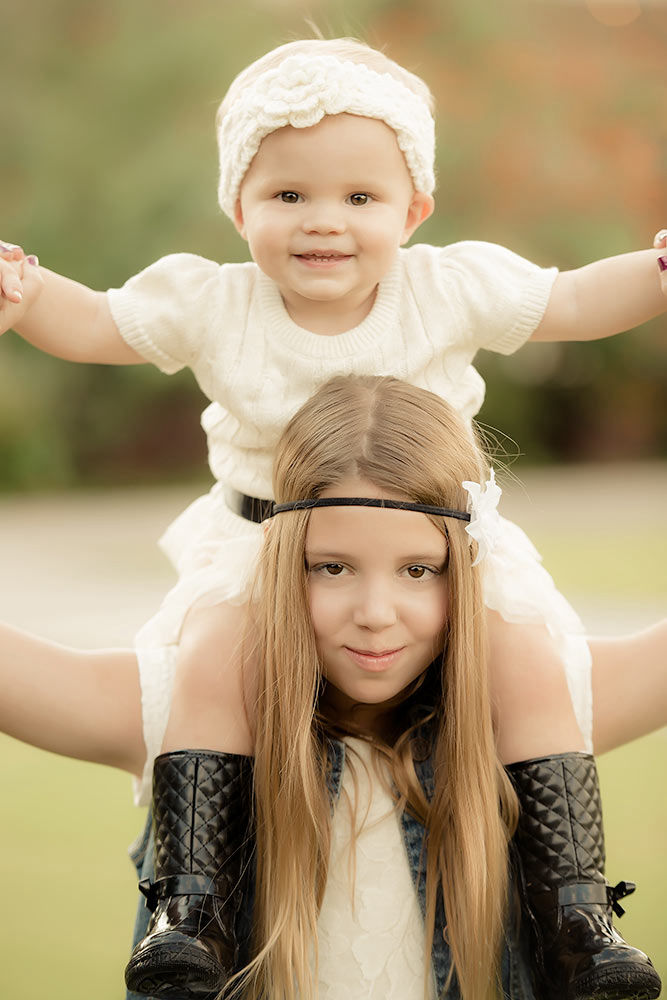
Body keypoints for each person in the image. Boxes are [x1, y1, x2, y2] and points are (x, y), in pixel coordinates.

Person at [0, 35, 666, 1000]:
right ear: (238, 206)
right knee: (220, 646)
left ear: (414, 210)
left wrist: (653, 273)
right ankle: (192, 905)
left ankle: (576, 911)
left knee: (519, 647)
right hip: (258, 545)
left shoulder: (444, 284)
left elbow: (568, 298)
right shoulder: (212, 300)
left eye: (360, 199)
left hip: (447, 526)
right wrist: (20, 295)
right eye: (288, 196)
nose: (324, 223)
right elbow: (96, 321)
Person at [0, 373, 663, 1000]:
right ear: (282, 564)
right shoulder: (196, 705)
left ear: (467, 571)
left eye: (418, 570)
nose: (375, 612)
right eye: (333, 567)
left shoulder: (527, 704)